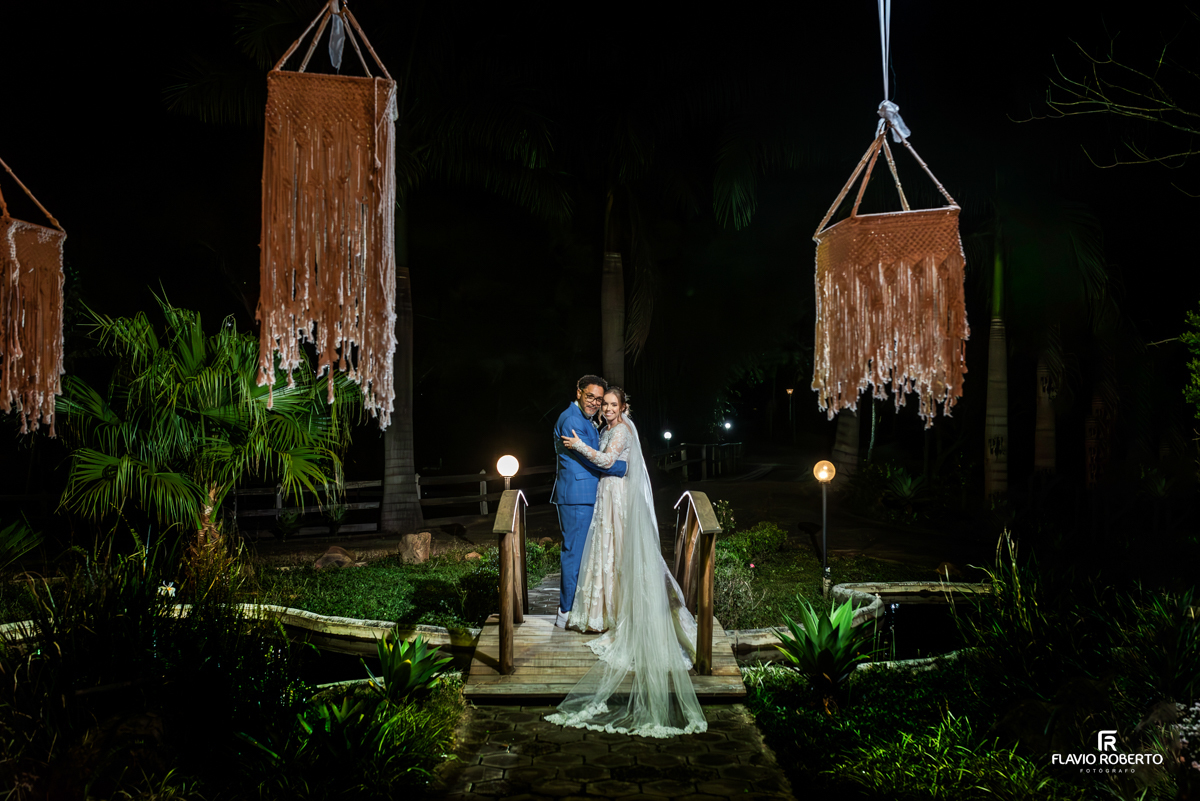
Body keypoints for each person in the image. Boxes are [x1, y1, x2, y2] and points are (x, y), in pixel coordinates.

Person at [545, 388, 707, 738]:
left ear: (623, 408)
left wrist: (580, 447)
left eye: (612, 405)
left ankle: (622, 611)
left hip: (616, 497)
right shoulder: (607, 428)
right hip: (607, 493)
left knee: (617, 553)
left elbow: (610, 463)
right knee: (608, 554)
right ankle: (609, 609)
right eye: (603, 405)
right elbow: (615, 463)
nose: (606, 409)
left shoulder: (620, 430)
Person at [551, 375, 627, 629]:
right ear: (579, 392)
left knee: (585, 554)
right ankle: (566, 612)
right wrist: (624, 468)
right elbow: (588, 460)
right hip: (577, 496)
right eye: (591, 396)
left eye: (599, 399)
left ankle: (581, 609)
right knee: (574, 554)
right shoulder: (572, 419)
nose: (595, 403)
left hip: (585, 494)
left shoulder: (587, 420)